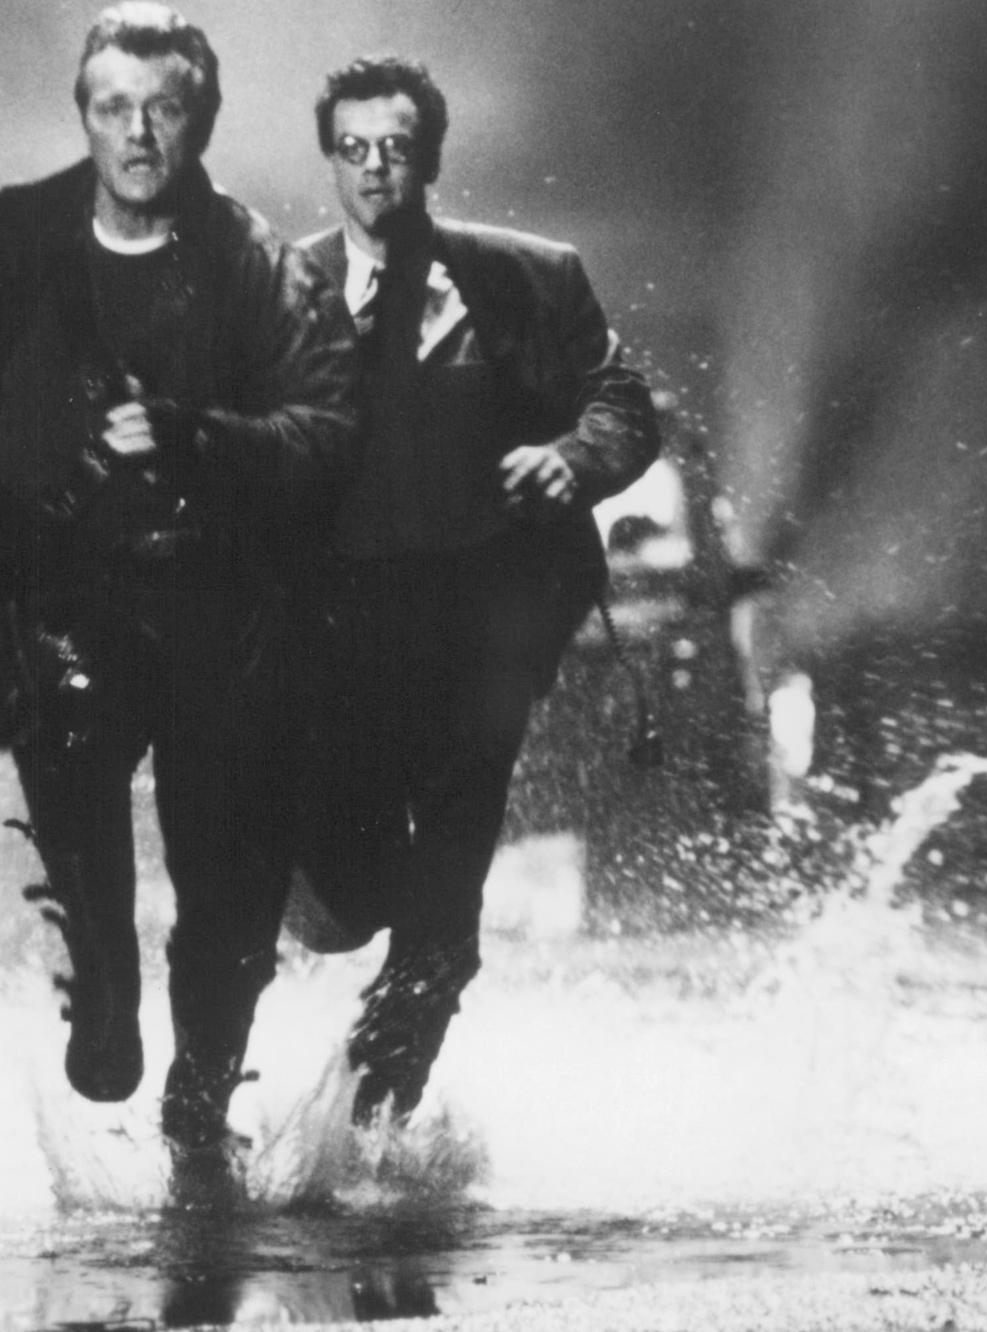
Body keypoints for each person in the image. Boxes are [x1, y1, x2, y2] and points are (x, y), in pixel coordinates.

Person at [0, 3, 357, 1153]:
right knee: (86, 866)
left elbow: (325, 431)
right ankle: (103, 994)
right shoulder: (4, 241)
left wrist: (197, 437)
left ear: (202, 117)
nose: (139, 134)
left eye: (164, 109)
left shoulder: (258, 266)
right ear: (85, 115)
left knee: (228, 897)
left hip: (219, 613)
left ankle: (201, 1100)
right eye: (115, 108)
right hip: (58, 606)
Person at [292, 55, 659, 1126]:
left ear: (431, 161)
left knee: (444, 897)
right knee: (346, 885)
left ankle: (373, 1131)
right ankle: (379, 948)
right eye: (353, 149)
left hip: (483, 630)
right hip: (338, 638)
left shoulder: (530, 277)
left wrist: (571, 459)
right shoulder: (274, 289)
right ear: (331, 161)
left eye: (396, 148)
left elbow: (623, 404)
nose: (375, 169)